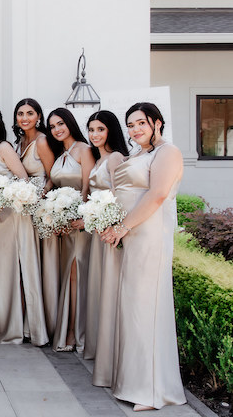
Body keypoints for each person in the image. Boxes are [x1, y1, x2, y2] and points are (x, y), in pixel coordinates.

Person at [101, 103, 186, 411]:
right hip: (131, 234)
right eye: (131, 125)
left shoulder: (168, 152)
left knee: (146, 307)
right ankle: (133, 381)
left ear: (157, 123)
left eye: (141, 123)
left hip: (149, 235)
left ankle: (151, 391)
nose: (135, 129)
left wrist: (123, 226)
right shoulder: (137, 154)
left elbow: (158, 194)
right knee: (131, 307)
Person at [0, 105, 48, 346]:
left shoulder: (4, 148)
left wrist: (1, 201)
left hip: (12, 216)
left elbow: (23, 181)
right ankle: (3, 322)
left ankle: (17, 327)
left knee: (11, 270)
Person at [79, 111, 128, 388]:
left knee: (107, 288)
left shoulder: (116, 158)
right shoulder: (98, 159)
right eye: (91, 130)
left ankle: (110, 354)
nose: (95, 135)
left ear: (110, 131)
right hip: (96, 229)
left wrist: (109, 224)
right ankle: (98, 347)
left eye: (100, 129)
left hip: (107, 231)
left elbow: (120, 196)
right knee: (96, 286)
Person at [47, 107, 95, 352]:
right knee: (67, 274)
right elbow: (54, 186)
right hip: (63, 224)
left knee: (77, 273)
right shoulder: (60, 153)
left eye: (60, 124)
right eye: (53, 126)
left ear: (70, 123)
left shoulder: (83, 150)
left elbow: (87, 187)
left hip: (80, 223)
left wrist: (82, 217)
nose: (57, 129)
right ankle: (66, 328)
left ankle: (76, 332)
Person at [14, 98, 61, 341]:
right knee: (26, 265)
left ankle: (41, 326)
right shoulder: (20, 141)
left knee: (38, 265)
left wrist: (39, 197)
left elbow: (53, 176)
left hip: (39, 208)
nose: (24, 118)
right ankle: (27, 323)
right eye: (20, 113)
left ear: (38, 116)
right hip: (23, 208)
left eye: (29, 113)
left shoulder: (42, 141)